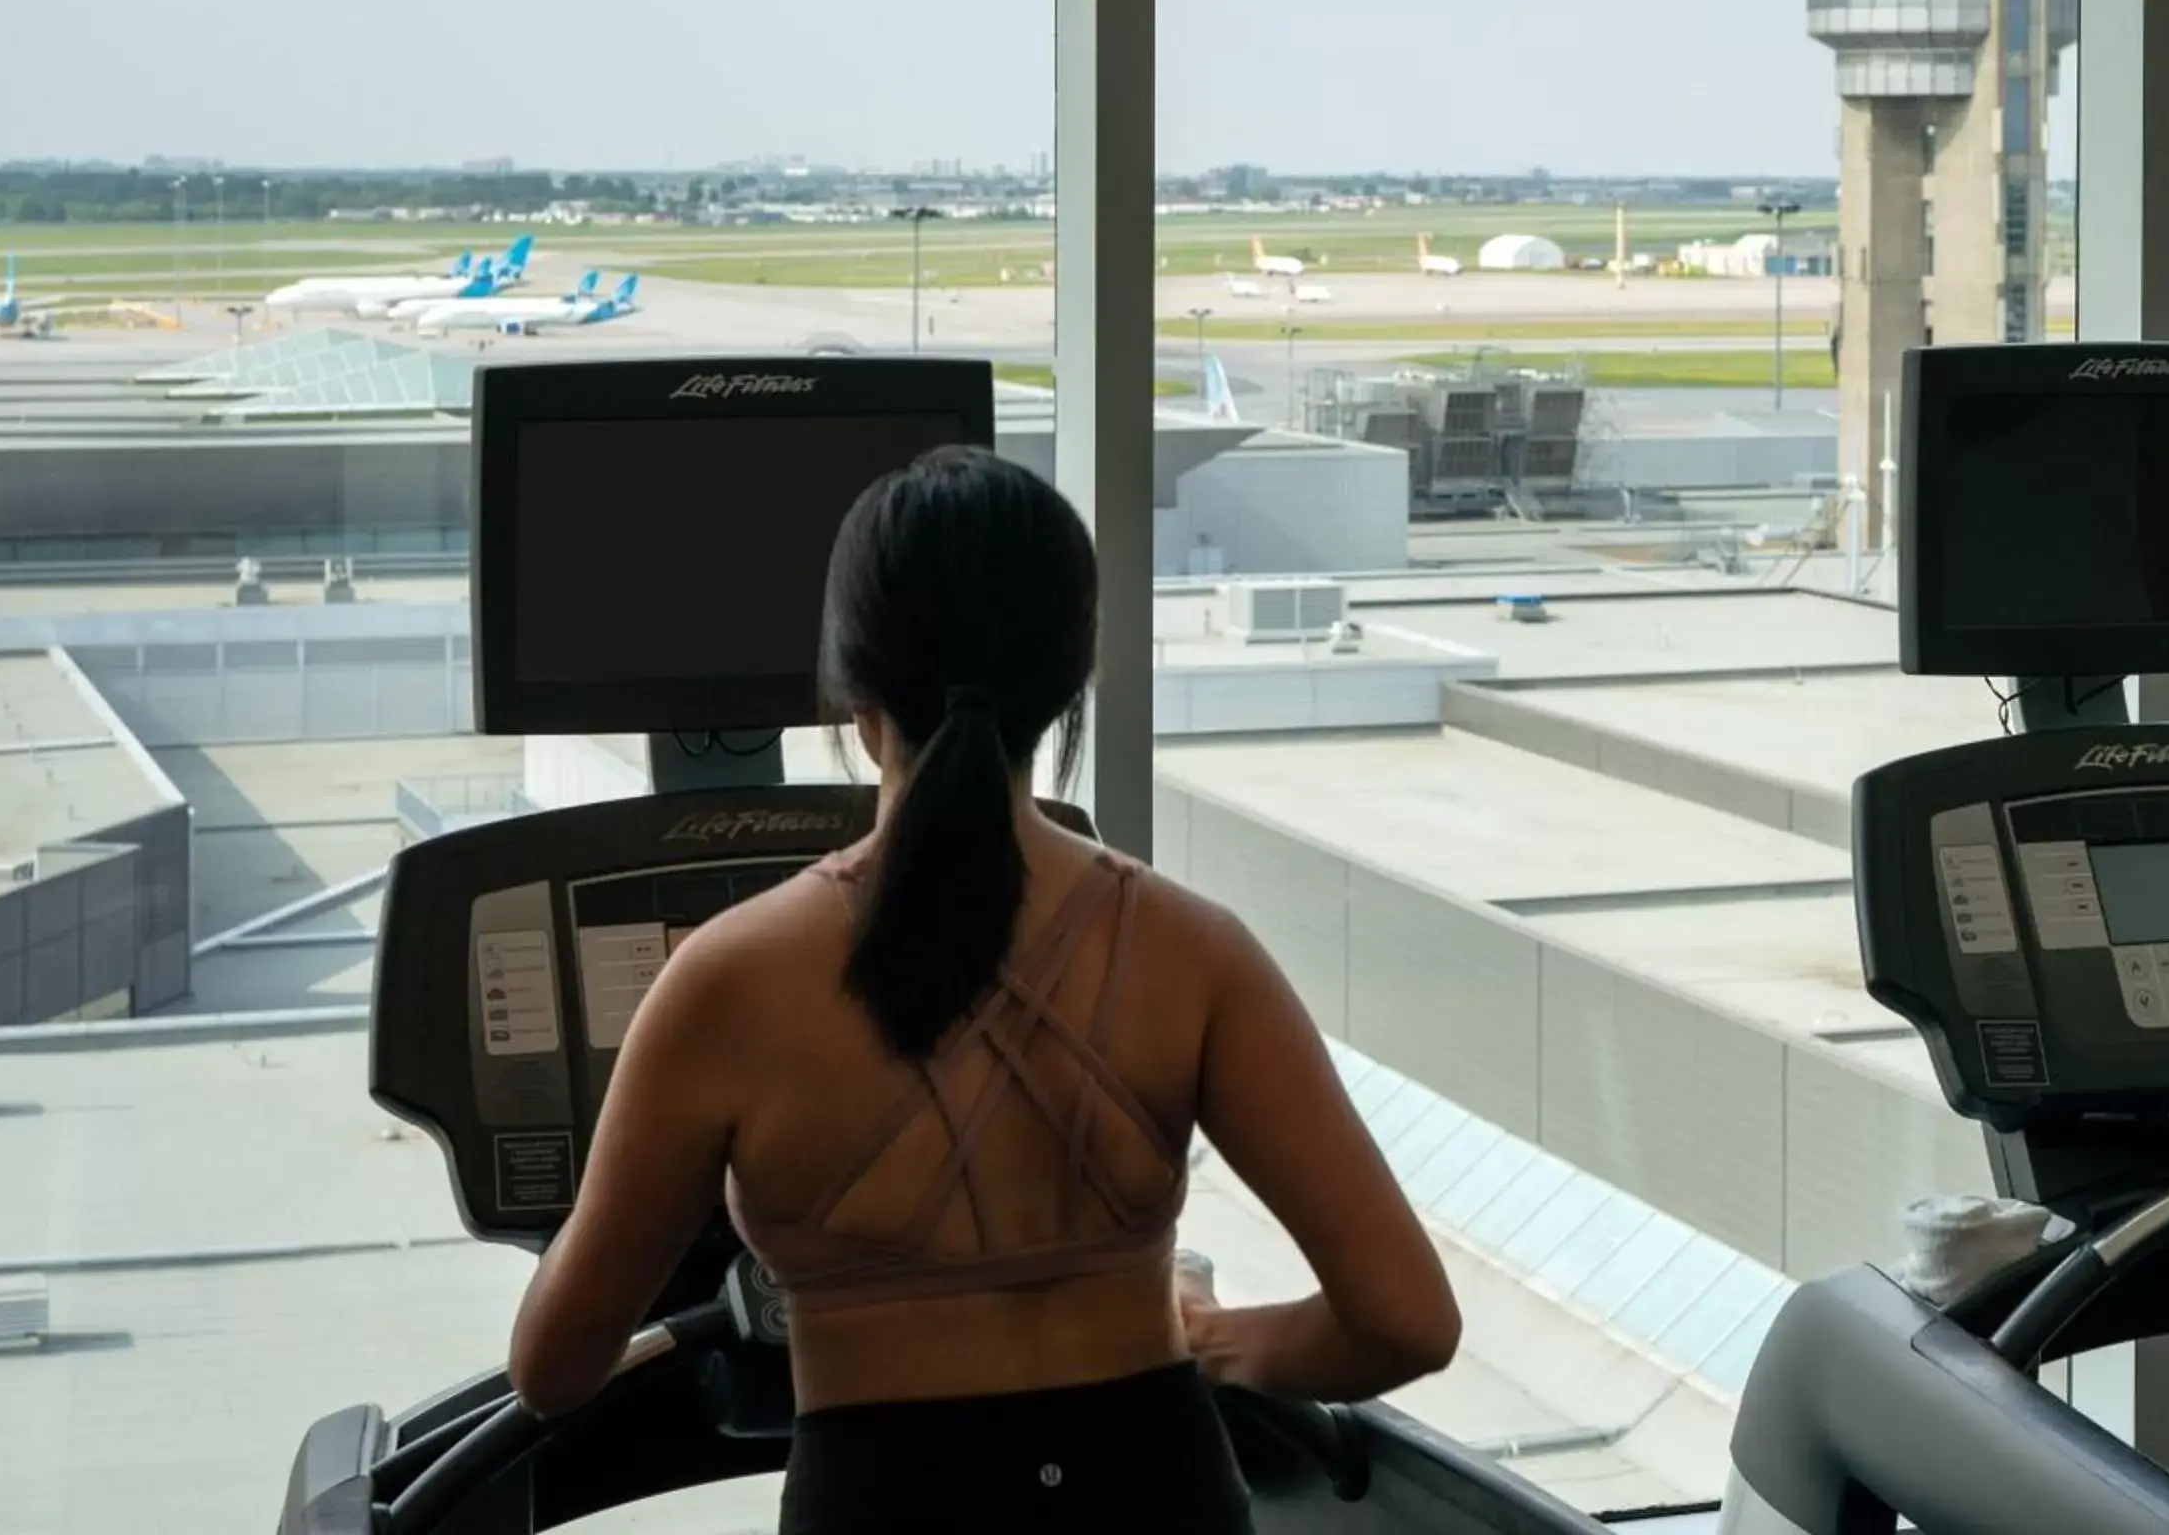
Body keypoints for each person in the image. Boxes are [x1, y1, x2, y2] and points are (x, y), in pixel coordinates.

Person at [507, 445, 1460, 1532]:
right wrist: (1211, 1333)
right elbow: (1405, 1320)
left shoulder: (727, 981)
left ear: (854, 695)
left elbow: (554, 1368)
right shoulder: (1197, 953)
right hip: (1157, 1489)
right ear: (1067, 683)